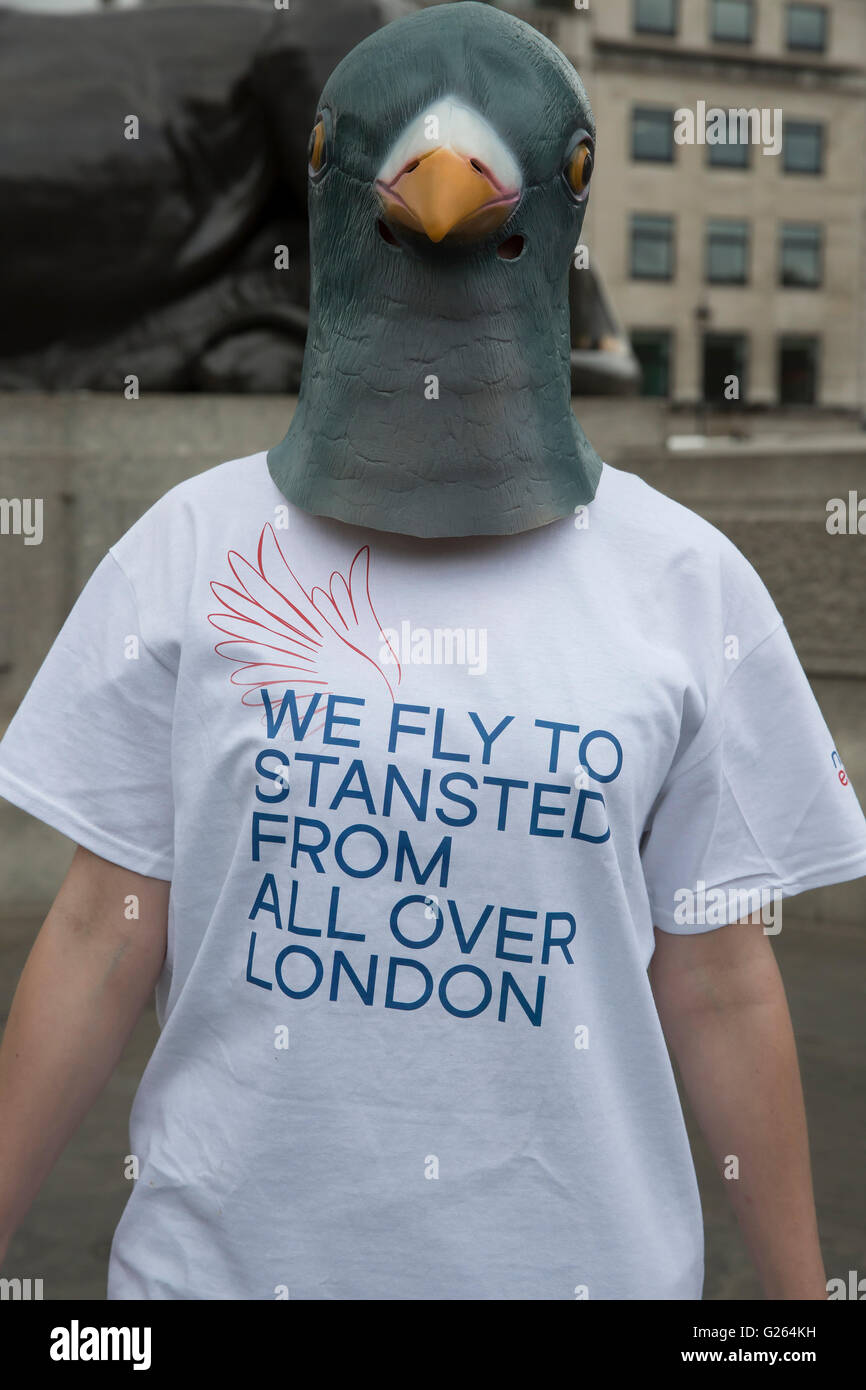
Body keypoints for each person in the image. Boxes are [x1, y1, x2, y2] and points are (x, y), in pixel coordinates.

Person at [1, 2, 865, 1301]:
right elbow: (99, 929)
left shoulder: (685, 586)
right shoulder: (191, 548)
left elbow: (721, 978)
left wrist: (805, 1312)